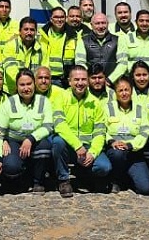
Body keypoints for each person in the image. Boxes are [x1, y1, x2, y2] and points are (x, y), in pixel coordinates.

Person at [52, 65, 111, 197]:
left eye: (83, 79)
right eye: (76, 79)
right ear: (69, 81)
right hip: (70, 147)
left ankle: (82, 174)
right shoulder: (61, 98)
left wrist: (93, 153)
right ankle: (63, 180)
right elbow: (59, 125)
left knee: (104, 167)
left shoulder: (95, 103)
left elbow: (100, 132)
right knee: (57, 142)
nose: (80, 83)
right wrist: (77, 146)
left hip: (88, 147)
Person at [0, 69, 55, 193]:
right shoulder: (8, 103)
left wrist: (31, 138)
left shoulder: (43, 101)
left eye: (29, 84)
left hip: (36, 141)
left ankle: (38, 181)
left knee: (44, 148)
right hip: (14, 141)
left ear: (34, 84)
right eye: (22, 85)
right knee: (11, 167)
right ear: (17, 86)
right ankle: (22, 179)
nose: (26, 88)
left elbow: (48, 126)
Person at [105, 76, 149, 195]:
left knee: (145, 189)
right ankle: (116, 179)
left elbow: (144, 132)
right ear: (115, 93)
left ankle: (127, 176)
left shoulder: (140, 109)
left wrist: (130, 145)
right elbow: (102, 129)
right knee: (118, 154)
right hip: (115, 150)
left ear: (131, 91)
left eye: (126, 90)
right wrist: (111, 141)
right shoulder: (108, 108)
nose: (124, 93)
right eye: (120, 90)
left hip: (134, 152)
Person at [113, 9, 149, 88]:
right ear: (136, 22)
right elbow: (122, 63)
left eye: (147, 21)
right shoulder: (125, 39)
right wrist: (111, 80)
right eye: (141, 21)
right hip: (132, 84)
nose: (144, 23)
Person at [1, 17, 46, 94]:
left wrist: (30, 86)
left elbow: (44, 70)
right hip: (12, 92)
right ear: (19, 31)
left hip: (32, 91)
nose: (29, 32)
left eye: (32, 30)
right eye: (26, 29)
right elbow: (10, 69)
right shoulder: (10, 45)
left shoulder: (42, 48)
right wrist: (25, 84)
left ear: (36, 32)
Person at [39, 7, 78, 83]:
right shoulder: (42, 35)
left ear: (66, 18)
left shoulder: (73, 36)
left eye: (62, 17)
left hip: (64, 80)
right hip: (46, 78)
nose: (59, 20)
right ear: (51, 19)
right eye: (56, 17)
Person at [75, 13, 119, 78]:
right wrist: (93, 78)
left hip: (112, 81)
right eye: (97, 23)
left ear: (108, 24)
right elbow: (80, 62)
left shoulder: (117, 40)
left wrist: (110, 80)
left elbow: (122, 63)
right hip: (91, 80)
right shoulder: (83, 40)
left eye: (103, 23)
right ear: (91, 25)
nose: (101, 26)